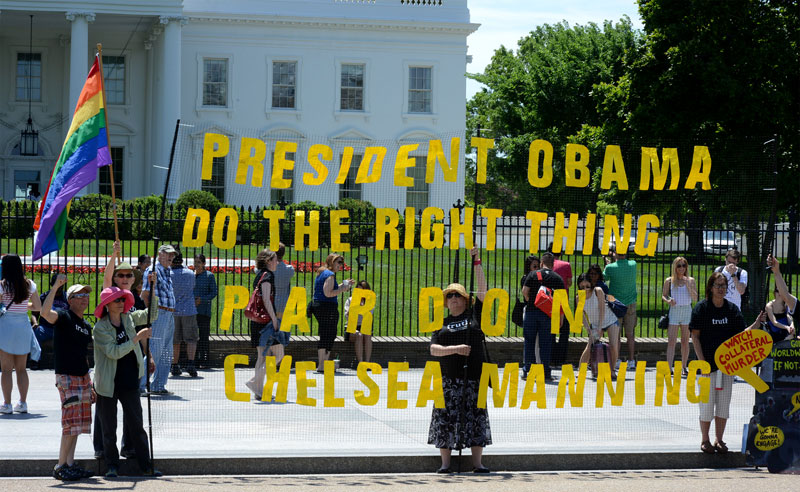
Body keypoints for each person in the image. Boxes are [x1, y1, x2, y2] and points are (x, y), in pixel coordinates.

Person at [428, 247, 490, 473]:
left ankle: (477, 463)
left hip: (474, 376)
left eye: (457, 295)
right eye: (449, 296)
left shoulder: (474, 315)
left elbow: (483, 290)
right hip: (448, 379)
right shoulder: (440, 323)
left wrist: (476, 261)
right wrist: (456, 349)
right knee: (445, 419)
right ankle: (445, 464)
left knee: (476, 418)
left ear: (465, 299)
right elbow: (433, 349)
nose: (453, 299)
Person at [690, 271, 765, 454]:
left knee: (723, 406)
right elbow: (695, 337)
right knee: (706, 406)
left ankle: (719, 440)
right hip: (707, 367)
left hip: (727, 367)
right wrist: (703, 364)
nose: (721, 289)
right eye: (718, 286)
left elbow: (741, 335)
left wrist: (755, 324)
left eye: (724, 286)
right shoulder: (701, 309)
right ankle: (705, 440)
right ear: (711, 288)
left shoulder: (731, 310)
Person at [92, 286, 161, 478]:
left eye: (123, 299)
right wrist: (137, 338)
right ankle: (112, 466)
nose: (122, 303)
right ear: (107, 305)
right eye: (117, 300)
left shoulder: (128, 318)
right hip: (108, 383)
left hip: (130, 381)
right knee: (109, 428)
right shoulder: (100, 328)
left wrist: (152, 290)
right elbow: (114, 352)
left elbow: (151, 315)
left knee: (137, 425)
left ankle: (146, 465)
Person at [38, 276, 95, 481]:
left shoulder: (86, 326)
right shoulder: (63, 316)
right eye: (80, 296)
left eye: (86, 295)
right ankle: (61, 465)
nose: (84, 299)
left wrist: (90, 383)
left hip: (82, 378)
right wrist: (55, 287)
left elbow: (84, 356)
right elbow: (44, 313)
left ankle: (70, 463)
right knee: (70, 423)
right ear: (70, 299)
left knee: (78, 424)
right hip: (67, 377)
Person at [0, 254, 42, 414]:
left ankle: (7, 404)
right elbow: (37, 306)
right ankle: (23, 403)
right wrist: (24, 305)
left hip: (6, 327)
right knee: (21, 369)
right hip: (23, 326)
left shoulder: (2, 285)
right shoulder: (29, 284)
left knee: (6, 369)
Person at [521, 252, 565, 381]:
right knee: (545, 343)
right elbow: (562, 301)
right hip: (547, 315)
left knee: (529, 341)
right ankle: (545, 371)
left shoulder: (533, 274)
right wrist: (560, 318)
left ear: (541, 263)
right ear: (553, 264)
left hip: (531, 312)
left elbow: (524, 291)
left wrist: (531, 301)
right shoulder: (557, 278)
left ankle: (527, 370)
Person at [245, 249, 282, 400]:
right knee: (279, 354)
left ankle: (258, 391)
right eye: (274, 260)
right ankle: (254, 383)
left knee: (262, 357)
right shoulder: (267, 276)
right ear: (267, 261)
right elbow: (266, 299)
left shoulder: (259, 275)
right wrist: (274, 320)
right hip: (265, 322)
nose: (277, 263)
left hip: (257, 321)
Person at [141, 244, 177, 395]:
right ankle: (140, 385)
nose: (171, 257)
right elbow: (145, 294)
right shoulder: (153, 270)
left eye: (172, 255)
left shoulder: (167, 270)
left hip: (168, 314)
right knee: (155, 349)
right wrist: (151, 314)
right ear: (159, 254)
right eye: (168, 254)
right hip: (159, 313)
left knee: (167, 351)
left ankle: (158, 385)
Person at [312, 253, 353, 372]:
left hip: (319, 305)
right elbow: (328, 293)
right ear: (331, 262)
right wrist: (343, 289)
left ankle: (322, 364)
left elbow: (327, 289)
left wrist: (343, 284)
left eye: (341, 262)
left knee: (325, 334)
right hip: (327, 307)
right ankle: (322, 364)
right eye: (338, 262)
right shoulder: (330, 275)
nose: (340, 265)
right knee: (329, 335)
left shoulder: (322, 272)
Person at [576, 273, 619, 379]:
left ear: (591, 285)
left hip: (609, 320)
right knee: (590, 346)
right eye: (582, 287)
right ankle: (581, 370)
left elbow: (602, 309)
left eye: (587, 286)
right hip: (595, 324)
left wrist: (600, 327)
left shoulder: (598, 291)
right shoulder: (579, 297)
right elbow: (582, 315)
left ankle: (612, 370)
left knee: (613, 345)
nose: (585, 289)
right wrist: (589, 329)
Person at [661, 256, 698, 376]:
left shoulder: (690, 280)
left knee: (685, 341)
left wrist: (688, 285)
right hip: (675, 310)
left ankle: (684, 366)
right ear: (675, 267)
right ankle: (668, 366)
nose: (681, 268)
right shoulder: (669, 280)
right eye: (679, 266)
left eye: (683, 265)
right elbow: (664, 295)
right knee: (671, 340)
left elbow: (695, 298)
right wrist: (668, 301)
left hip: (686, 310)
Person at [603, 246, 638, 368]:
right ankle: (631, 360)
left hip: (615, 303)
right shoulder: (633, 264)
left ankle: (616, 359)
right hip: (630, 303)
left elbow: (604, 278)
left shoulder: (610, 268)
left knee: (615, 335)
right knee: (630, 335)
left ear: (615, 253)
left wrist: (607, 264)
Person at [170, 250, 199, 378]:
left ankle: (175, 364)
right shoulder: (190, 273)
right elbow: (192, 287)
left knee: (175, 340)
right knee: (191, 339)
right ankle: (191, 363)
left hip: (173, 310)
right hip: (189, 309)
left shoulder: (168, 274)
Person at [31, 274, 69, 369]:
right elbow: (34, 314)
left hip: (61, 329)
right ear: (52, 284)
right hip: (45, 328)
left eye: (61, 284)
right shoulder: (44, 297)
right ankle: (35, 360)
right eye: (57, 284)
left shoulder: (67, 297)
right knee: (36, 332)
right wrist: (35, 323)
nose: (59, 287)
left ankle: (65, 361)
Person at [548, 242, 573, 366]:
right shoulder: (566, 265)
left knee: (551, 332)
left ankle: (551, 357)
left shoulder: (546, 265)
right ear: (561, 252)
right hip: (563, 301)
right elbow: (569, 283)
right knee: (564, 332)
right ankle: (561, 358)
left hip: (549, 301)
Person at [270, 244, 294, 364]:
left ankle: (271, 359)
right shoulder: (289, 269)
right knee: (283, 331)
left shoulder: (268, 269)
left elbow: (256, 269)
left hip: (271, 303)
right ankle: (279, 360)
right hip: (284, 304)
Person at [193, 254, 217, 367]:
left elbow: (214, 292)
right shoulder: (191, 275)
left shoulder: (209, 276)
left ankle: (205, 359)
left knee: (203, 335)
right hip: (192, 311)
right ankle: (194, 359)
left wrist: (202, 300)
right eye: (195, 262)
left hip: (204, 311)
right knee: (193, 336)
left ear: (203, 264)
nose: (196, 264)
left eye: (199, 262)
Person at [344, 280, 374, 363]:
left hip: (364, 325)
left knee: (367, 335)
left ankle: (367, 362)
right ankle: (360, 362)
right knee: (359, 335)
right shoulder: (350, 300)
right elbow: (348, 316)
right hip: (352, 327)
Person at [767, 254, 797, 333]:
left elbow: (789, 317)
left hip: (785, 330)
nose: (779, 293)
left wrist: (791, 326)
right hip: (775, 330)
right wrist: (776, 272)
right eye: (778, 290)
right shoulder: (770, 305)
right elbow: (774, 322)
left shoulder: (787, 305)